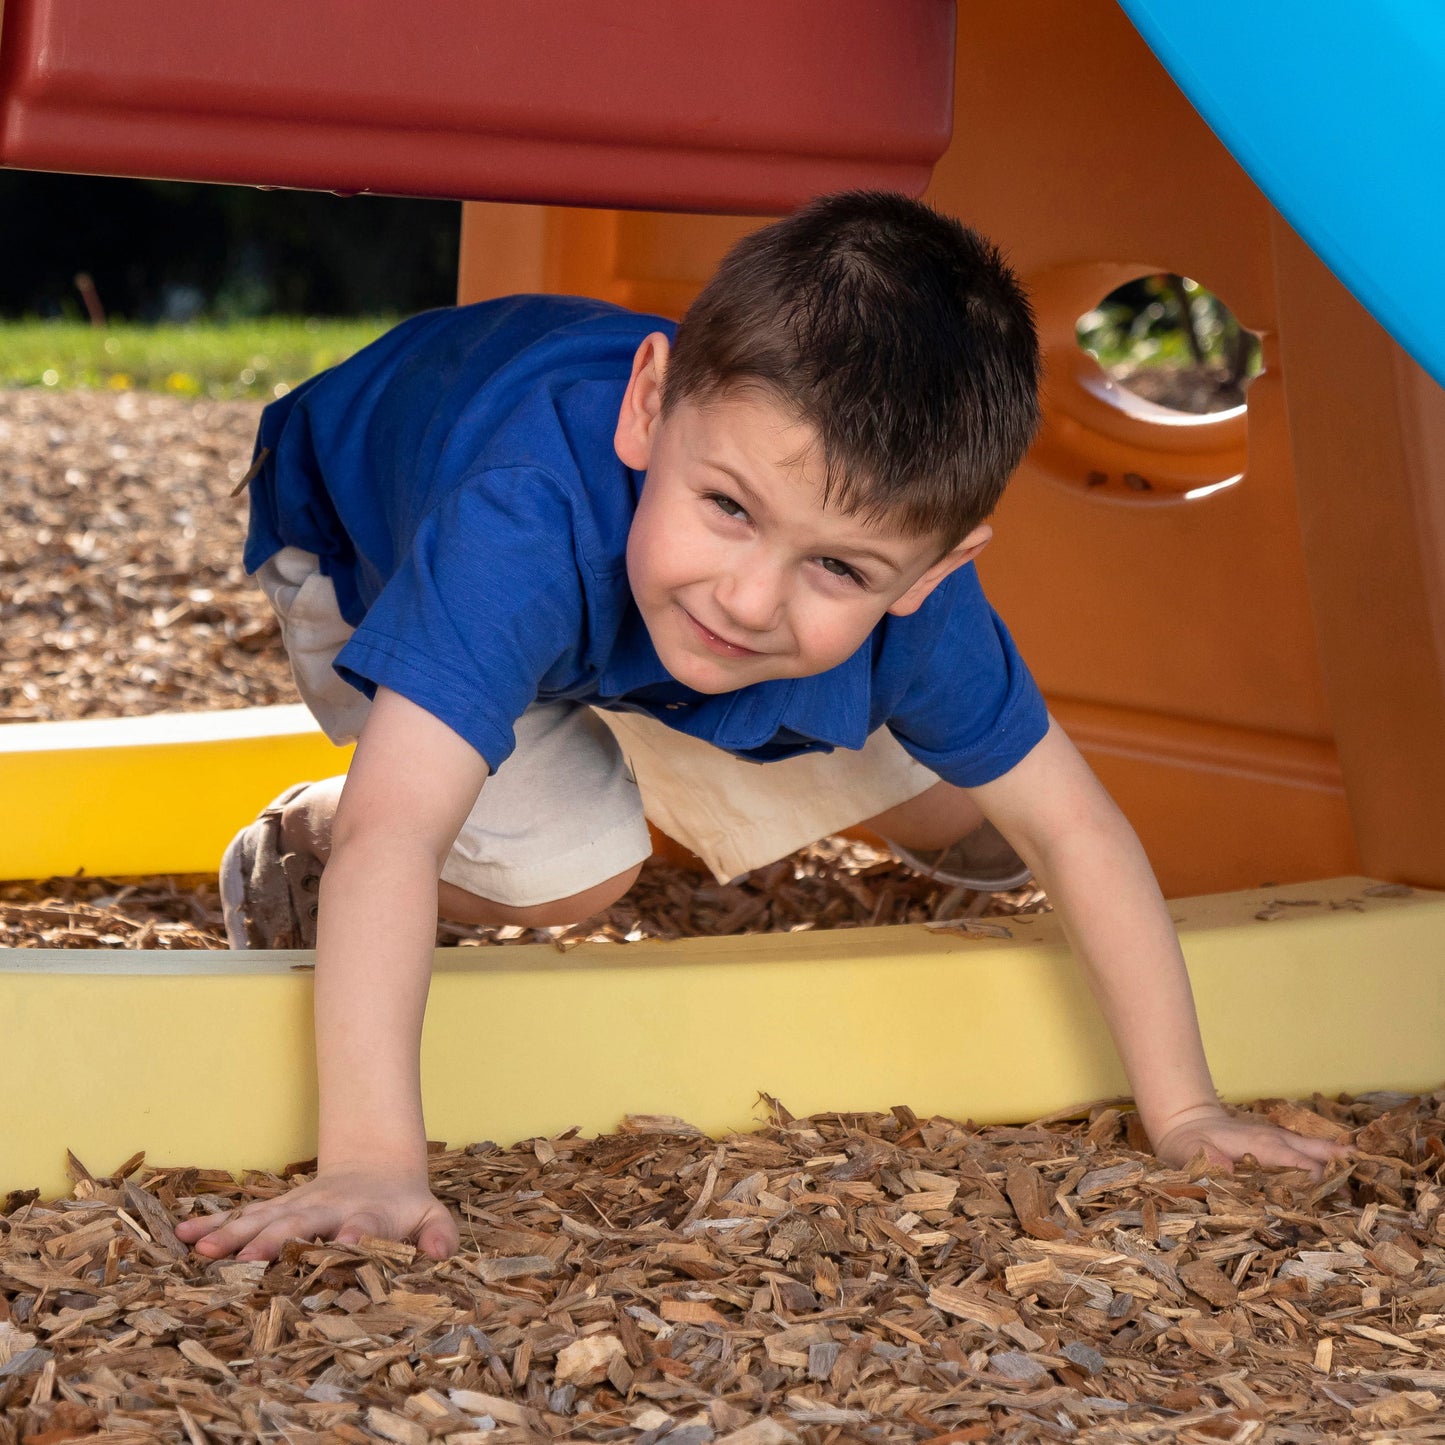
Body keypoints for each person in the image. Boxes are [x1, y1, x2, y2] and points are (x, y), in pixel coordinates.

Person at [176, 192, 1345, 1263]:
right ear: (647, 406)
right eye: (728, 507)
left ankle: (678, 663)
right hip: (365, 544)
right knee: (572, 869)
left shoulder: (881, 600)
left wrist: (1187, 1110)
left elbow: (1073, 829)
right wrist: (370, 1162)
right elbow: (402, 834)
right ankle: (296, 843)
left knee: (964, 794)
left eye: (838, 565)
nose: (750, 594)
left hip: (624, 586)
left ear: (933, 569)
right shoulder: (515, 521)